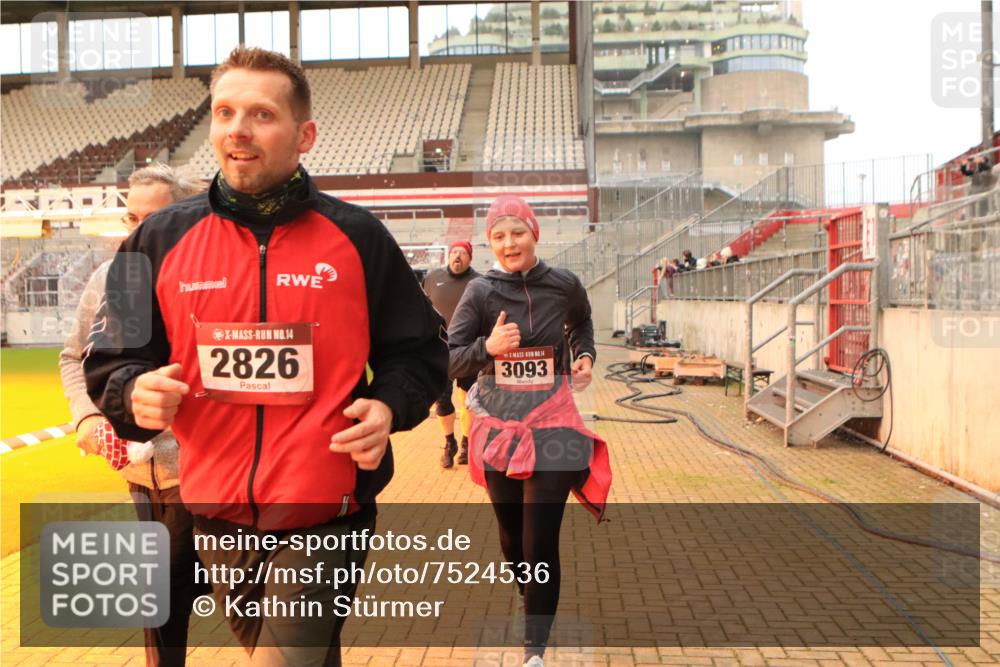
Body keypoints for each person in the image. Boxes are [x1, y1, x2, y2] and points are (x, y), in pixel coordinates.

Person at [84, 47, 448, 667]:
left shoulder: (360, 239)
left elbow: (420, 353)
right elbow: (111, 357)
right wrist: (130, 391)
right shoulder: (158, 238)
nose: (238, 129)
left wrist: (389, 405)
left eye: (261, 114)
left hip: (324, 511)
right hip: (213, 512)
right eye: (224, 112)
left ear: (303, 135)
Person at [448, 194, 611, 667]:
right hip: (500, 427)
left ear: (534, 234)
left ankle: (533, 652)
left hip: (554, 421)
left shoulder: (564, 284)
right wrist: (488, 346)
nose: (508, 243)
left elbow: (581, 322)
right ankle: (531, 595)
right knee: (512, 539)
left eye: (517, 232)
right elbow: (450, 355)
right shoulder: (479, 293)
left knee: (540, 540)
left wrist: (584, 356)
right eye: (498, 235)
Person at [60, 163, 206, 667]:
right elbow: (73, 357)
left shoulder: (213, 276)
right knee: (161, 609)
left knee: (246, 605)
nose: (139, 230)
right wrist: (87, 417)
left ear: (185, 215)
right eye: (132, 217)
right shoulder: (108, 278)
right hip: (140, 477)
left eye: (155, 217)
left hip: (208, 476)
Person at [421, 240, 479, 468]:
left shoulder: (480, 281)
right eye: (454, 251)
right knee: (441, 401)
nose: (457, 256)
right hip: (441, 350)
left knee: (469, 401)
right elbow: (422, 310)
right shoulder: (433, 278)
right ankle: (449, 442)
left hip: (470, 350)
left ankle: (466, 442)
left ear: (470, 258)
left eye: (462, 253)